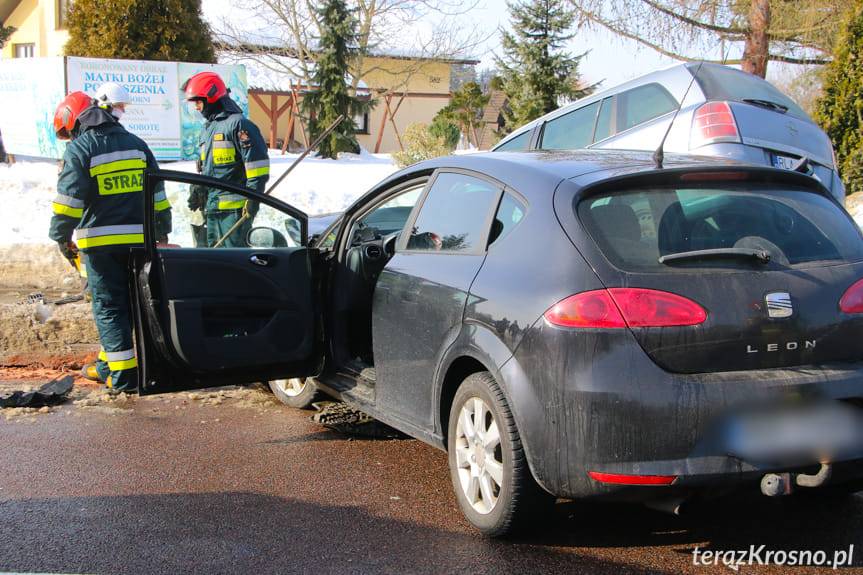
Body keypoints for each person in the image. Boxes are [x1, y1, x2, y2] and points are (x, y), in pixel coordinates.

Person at [48, 91, 172, 393]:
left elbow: (68, 203)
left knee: (109, 308)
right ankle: (107, 365)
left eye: (69, 131)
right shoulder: (137, 145)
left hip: (101, 247)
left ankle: (124, 378)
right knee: (131, 305)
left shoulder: (81, 148)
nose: (70, 137)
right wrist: (162, 232)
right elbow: (158, 194)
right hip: (140, 244)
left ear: (75, 121)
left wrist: (60, 236)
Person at [182, 71, 270, 247]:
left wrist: (253, 200)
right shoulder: (208, 130)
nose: (196, 107)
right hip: (212, 211)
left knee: (233, 265)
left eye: (198, 102)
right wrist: (198, 187)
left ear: (212, 97)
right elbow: (208, 170)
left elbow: (257, 169)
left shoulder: (239, 125)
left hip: (234, 214)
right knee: (214, 265)